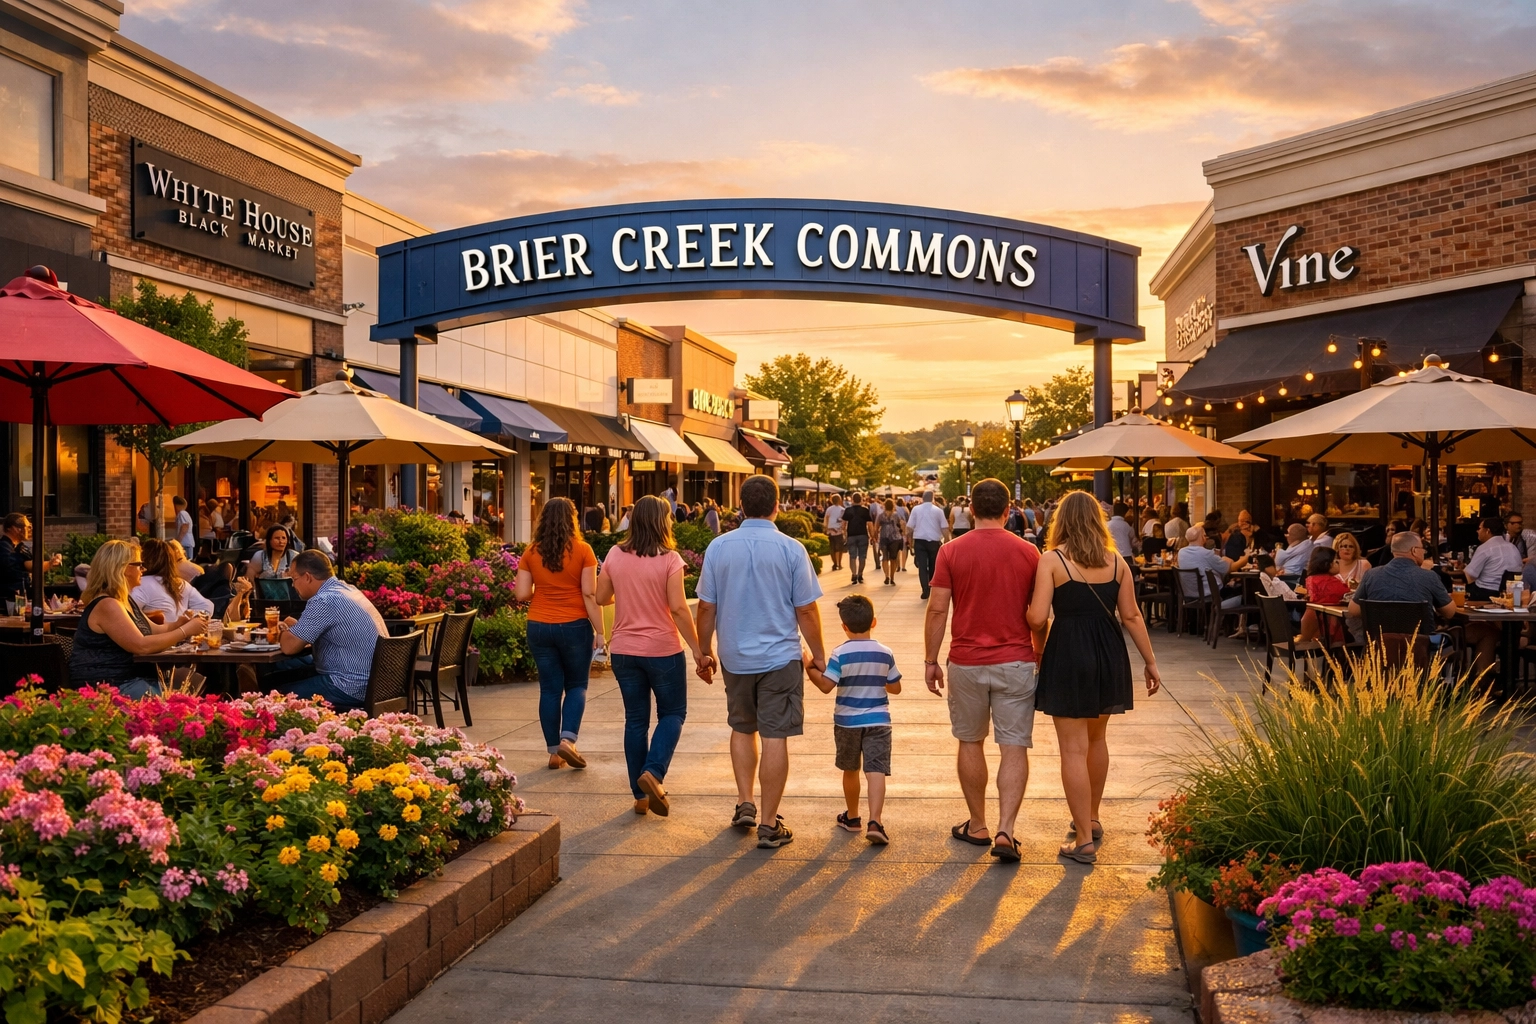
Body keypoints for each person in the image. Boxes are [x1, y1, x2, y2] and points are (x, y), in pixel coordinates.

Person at [1027, 490, 1161, 865]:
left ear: (1062, 521)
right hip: (1108, 651)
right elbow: (1132, 616)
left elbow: (1038, 618)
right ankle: (1092, 818)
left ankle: (1083, 839)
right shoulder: (1116, 561)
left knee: (1072, 748)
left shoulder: (1052, 560)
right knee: (1097, 738)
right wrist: (1150, 662)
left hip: (1069, 651)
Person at [695, 475, 825, 850]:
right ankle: (769, 824)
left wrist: (704, 650)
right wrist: (818, 653)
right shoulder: (791, 549)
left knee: (741, 727)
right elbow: (806, 609)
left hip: (735, 656)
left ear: (740, 505)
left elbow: (706, 606)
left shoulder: (719, 547)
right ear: (776, 505)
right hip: (780, 657)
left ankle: (745, 802)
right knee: (775, 737)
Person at [924, 478, 1041, 864]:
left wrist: (930, 660)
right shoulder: (1029, 553)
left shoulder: (950, 552)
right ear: (1009, 511)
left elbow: (938, 609)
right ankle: (1007, 828)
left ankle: (978, 825)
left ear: (970, 510)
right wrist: (1038, 653)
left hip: (967, 662)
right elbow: (1039, 616)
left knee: (970, 741)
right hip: (1017, 660)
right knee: (1014, 745)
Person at [596, 495, 714, 817]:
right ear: (663, 521)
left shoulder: (614, 554)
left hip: (623, 650)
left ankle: (640, 797)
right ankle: (654, 772)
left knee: (635, 720)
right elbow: (677, 607)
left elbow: (602, 596)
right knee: (673, 713)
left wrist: (626, 584)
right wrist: (697, 649)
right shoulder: (669, 559)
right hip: (662, 650)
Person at [515, 497, 604, 771]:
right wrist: (600, 631)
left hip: (539, 626)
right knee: (577, 685)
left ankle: (554, 753)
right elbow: (589, 593)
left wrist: (544, 590)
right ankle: (568, 740)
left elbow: (521, 594)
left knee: (550, 689)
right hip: (574, 625)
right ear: (572, 520)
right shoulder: (584, 550)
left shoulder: (531, 552)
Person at [807, 594, 901, 846]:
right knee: (876, 769)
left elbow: (826, 686)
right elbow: (896, 687)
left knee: (851, 769)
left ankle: (852, 817)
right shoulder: (885, 653)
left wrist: (810, 669)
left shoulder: (840, 654)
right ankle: (876, 821)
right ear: (874, 622)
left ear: (844, 627)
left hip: (847, 722)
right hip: (879, 721)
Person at [70, 539, 208, 697]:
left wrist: (181, 622)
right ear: (122, 568)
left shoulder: (124, 600)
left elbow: (156, 630)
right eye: (139, 564)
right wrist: (186, 630)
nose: (144, 568)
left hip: (128, 679)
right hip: (108, 685)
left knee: (195, 682)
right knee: (184, 697)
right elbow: (141, 646)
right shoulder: (107, 604)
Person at [264, 550, 388, 710]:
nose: (293, 585)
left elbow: (289, 647)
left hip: (351, 686)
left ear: (307, 577)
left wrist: (281, 628)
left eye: (294, 579)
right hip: (377, 684)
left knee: (273, 694)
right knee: (280, 675)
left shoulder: (324, 600)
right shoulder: (349, 590)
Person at [1348, 532, 1457, 652]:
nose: (1424, 552)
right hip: (1420, 647)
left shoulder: (1371, 575)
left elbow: (1353, 610)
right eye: (1422, 549)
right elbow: (1449, 612)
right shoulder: (1429, 576)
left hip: (1381, 646)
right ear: (1414, 550)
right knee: (1451, 638)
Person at [131, 538, 214, 621]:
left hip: (160, 632)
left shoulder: (141, 584)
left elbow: (128, 613)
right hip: (181, 631)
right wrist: (190, 617)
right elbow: (207, 606)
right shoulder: (181, 583)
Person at [1177, 526, 1248, 610]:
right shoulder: (1206, 554)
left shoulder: (1181, 553)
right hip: (1210, 595)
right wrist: (1245, 558)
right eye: (1205, 536)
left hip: (1189, 595)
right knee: (1243, 593)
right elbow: (1229, 568)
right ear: (1202, 537)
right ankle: (1231, 621)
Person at [0, 513, 60, 609]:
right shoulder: (4, 548)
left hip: (22, 598)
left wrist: (50, 563)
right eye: (27, 527)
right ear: (15, 528)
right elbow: (23, 565)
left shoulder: (21, 548)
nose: (30, 530)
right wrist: (49, 563)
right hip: (9, 601)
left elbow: (32, 566)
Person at [1296, 547, 1348, 644]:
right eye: (1336, 561)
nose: (1338, 563)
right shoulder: (1331, 582)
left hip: (1310, 623)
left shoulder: (1311, 579)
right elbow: (1346, 593)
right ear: (1328, 564)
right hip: (1327, 626)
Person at [1464, 517, 1523, 600]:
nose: (1477, 531)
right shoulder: (1513, 547)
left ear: (1487, 531)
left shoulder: (1485, 548)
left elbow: (1470, 574)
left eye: (1480, 528)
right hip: (1512, 593)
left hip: (1485, 593)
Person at [908, 491, 947, 600]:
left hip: (919, 541)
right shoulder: (938, 511)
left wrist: (909, 542)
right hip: (934, 542)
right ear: (933, 498)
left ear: (922, 498)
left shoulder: (915, 509)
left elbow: (909, 527)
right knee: (933, 565)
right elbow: (944, 527)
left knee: (922, 567)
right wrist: (947, 540)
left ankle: (925, 589)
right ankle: (931, 585)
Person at [842, 493, 874, 585]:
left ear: (852, 499)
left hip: (851, 535)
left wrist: (844, 535)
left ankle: (854, 574)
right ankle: (860, 574)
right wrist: (872, 536)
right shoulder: (865, 510)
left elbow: (843, 525)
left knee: (852, 556)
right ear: (861, 499)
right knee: (862, 556)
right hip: (863, 535)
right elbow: (870, 524)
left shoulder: (848, 510)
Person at [875, 498, 903, 585]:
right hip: (895, 538)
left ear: (884, 506)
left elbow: (876, 527)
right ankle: (892, 577)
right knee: (893, 559)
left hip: (883, 537)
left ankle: (886, 576)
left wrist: (875, 537)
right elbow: (901, 525)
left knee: (885, 558)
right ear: (893, 506)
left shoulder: (880, 515)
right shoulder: (896, 515)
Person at [823, 494, 847, 571]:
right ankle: (839, 564)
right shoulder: (842, 509)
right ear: (840, 500)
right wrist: (844, 530)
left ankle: (834, 563)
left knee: (832, 548)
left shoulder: (829, 509)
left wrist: (825, 528)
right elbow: (844, 521)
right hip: (839, 530)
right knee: (840, 548)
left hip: (830, 530)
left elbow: (826, 519)